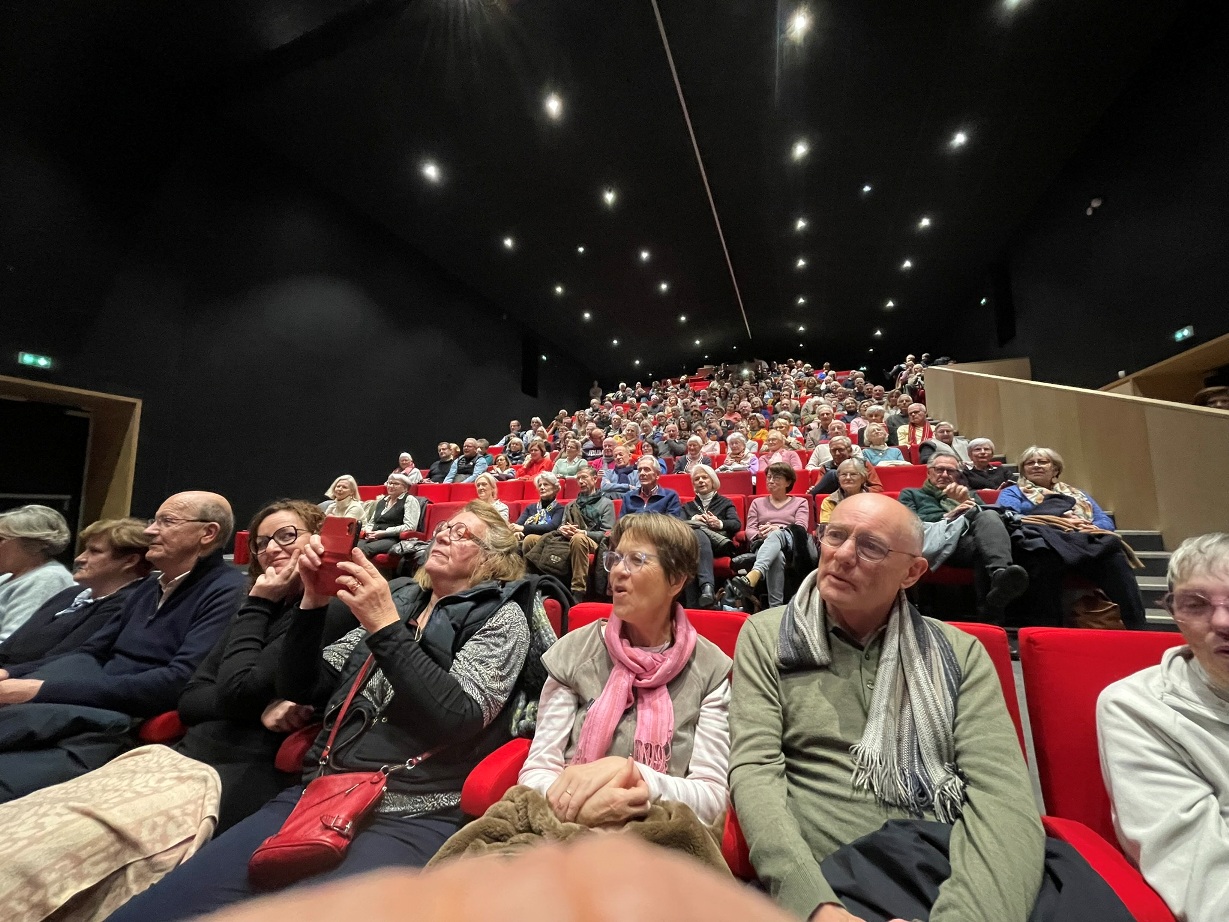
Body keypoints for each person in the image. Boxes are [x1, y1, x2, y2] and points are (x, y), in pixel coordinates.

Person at [106, 502, 541, 921]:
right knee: (153, 910)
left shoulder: (502, 616)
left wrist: (384, 626)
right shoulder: (404, 599)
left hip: (413, 808)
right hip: (320, 791)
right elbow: (304, 685)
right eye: (443, 528)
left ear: (493, 558)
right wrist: (312, 603)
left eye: (461, 533)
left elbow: (458, 715)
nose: (443, 536)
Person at [730, 493, 1129, 922]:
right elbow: (756, 772)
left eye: (871, 547)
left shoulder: (960, 652)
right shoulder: (767, 636)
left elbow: (1001, 795)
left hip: (959, 863)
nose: (843, 555)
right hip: (841, 880)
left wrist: (965, 914)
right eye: (835, 536)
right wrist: (815, 905)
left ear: (912, 572)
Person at [0, 492, 246, 801]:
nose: (150, 531)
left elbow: (178, 681)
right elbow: (89, 651)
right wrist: (12, 674)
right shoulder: (148, 587)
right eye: (154, 521)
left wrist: (40, 690)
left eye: (167, 522)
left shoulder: (227, 591)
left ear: (207, 533)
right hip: (82, 705)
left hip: (116, 726)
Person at [513, 513, 730, 828]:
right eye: (615, 558)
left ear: (676, 580)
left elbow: (712, 799)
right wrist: (582, 810)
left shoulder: (710, 668)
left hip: (660, 834)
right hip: (569, 829)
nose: (617, 570)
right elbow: (537, 772)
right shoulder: (574, 651)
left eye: (636, 560)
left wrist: (633, 776)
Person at [1097, 533, 1229, 922]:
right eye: (1196, 604)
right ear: (1174, 614)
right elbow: (1204, 879)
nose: (1222, 621)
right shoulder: (1136, 707)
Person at [997, 446, 1145, 629]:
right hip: (1045, 543)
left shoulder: (1077, 494)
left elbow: (1104, 520)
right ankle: (1048, 628)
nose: (1036, 466)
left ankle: (1136, 625)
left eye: (1042, 462)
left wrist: (1089, 526)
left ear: (1055, 469)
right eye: (1030, 463)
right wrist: (1058, 520)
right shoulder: (1013, 492)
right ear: (1023, 470)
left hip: (1082, 540)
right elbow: (1009, 516)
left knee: (1114, 557)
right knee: (1043, 556)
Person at [0, 517, 151, 669]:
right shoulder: (71, 594)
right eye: (85, 550)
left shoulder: (127, 603)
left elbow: (64, 659)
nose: (80, 558)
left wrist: (8, 673)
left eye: (94, 551)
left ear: (130, 561)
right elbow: (10, 644)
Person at [899, 456, 1030, 620]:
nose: (944, 474)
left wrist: (966, 502)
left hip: (966, 542)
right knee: (984, 547)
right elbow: (908, 524)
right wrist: (949, 516)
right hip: (935, 542)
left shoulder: (968, 494)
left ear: (958, 475)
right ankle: (991, 614)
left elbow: (988, 521)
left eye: (950, 471)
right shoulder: (912, 494)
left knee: (986, 524)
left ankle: (999, 575)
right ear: (928, 472)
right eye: (939, 470)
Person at [726, 463, 811, 609]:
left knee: (777, 534)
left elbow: (801, 527)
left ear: (788, 482)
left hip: (791, 544)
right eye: (769, 477)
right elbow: (750, 529)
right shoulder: (757, 503)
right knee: (776, 556)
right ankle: (775, 608)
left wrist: (778, 529)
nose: (770, 481)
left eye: (776, 477)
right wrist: (760, 534)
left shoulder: (800, 502)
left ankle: (755, 574)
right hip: (763, 544)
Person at [523, 466, 615, 598]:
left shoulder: (606, 504)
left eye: (584, 477)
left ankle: (578, 590)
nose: (581, 481)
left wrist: (583, 532)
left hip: (592, 542)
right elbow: (562, 526)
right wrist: (563, 529)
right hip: (567, 539)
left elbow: (606, 534)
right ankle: (534, 582)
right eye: (578, 479)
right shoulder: (571, 505)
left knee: (578, 538)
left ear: (595, 479)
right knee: (530, 539)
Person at [0, 505, 76, 642]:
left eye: (1, 539)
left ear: (34, 544)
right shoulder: (7, 577)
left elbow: (14, 642)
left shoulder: (47, 579)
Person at [683, 465, 741, 610]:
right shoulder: (688, 506)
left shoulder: (725, 503)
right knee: (696, 537)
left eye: (705, 477)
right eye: (697, 479)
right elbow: (676, 524)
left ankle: (696, 602)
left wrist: (719, 523)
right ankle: (705, 592)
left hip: (720, 545)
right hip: (693, 548)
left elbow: (736, 524)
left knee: (696, 534)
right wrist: (694, 519)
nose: (701, 481)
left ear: (713, 481)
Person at [356, 474, 421, 557]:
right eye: (390, 483)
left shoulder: (409, 500)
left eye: (396, 484)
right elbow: (372, 522)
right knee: (352, 547)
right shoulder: (382, 501)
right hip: (374, 536)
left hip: (394, 538)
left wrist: (384, 533)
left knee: (364, 550)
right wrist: (369, 531)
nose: (391, 486)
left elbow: (410, 526)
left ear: (405, 488)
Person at [808, 437, 882, 497]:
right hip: (835, 500)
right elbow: (820, 490)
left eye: (840, 450)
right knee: (832, 474)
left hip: (860, 499)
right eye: (833, 450)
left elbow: (877, 488)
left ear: (850, 450)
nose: (837, 453)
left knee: (833, 474)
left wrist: (857, 490)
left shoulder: (863, 464)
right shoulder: (826, 467)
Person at [512, 472, 567, 540]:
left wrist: (524, 528)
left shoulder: (559, 509)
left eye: (545, 484)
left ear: (555, 488)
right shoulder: (530, 507)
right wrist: (517, 531)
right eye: (540, 485)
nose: (542, 487)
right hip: (525, 538)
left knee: (530, 539)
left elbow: (552, 527)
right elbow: (518, 524)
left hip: (548, 540)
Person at [818, 459, 874, 524]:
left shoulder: (873, 502)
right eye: (844, 474)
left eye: (853, 474)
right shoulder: (829, 501)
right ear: (838, 479)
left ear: (863, 479)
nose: (848, 478)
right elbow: (826, 527)